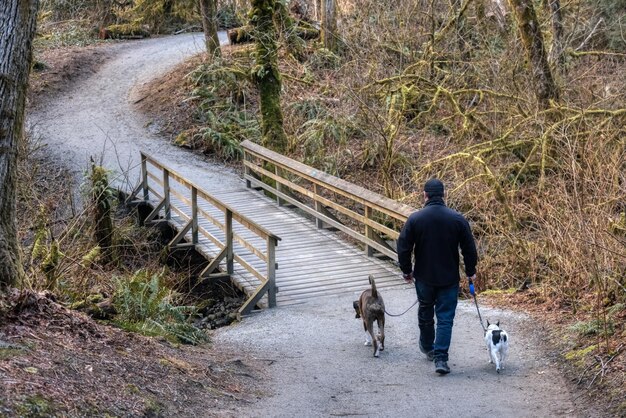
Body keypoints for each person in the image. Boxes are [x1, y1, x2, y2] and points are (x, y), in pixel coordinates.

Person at [397, 178, 478, 375]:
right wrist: (470, 271)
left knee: (425, 310)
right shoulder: (457, 219)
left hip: (424, 276)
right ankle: (441, 358)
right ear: (444, 195)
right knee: (445, 318)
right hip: (449, 277)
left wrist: (407, 270)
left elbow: (403, 246)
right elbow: (469, 248)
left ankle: (427, 346)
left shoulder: (416, 219)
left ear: (425, 195)